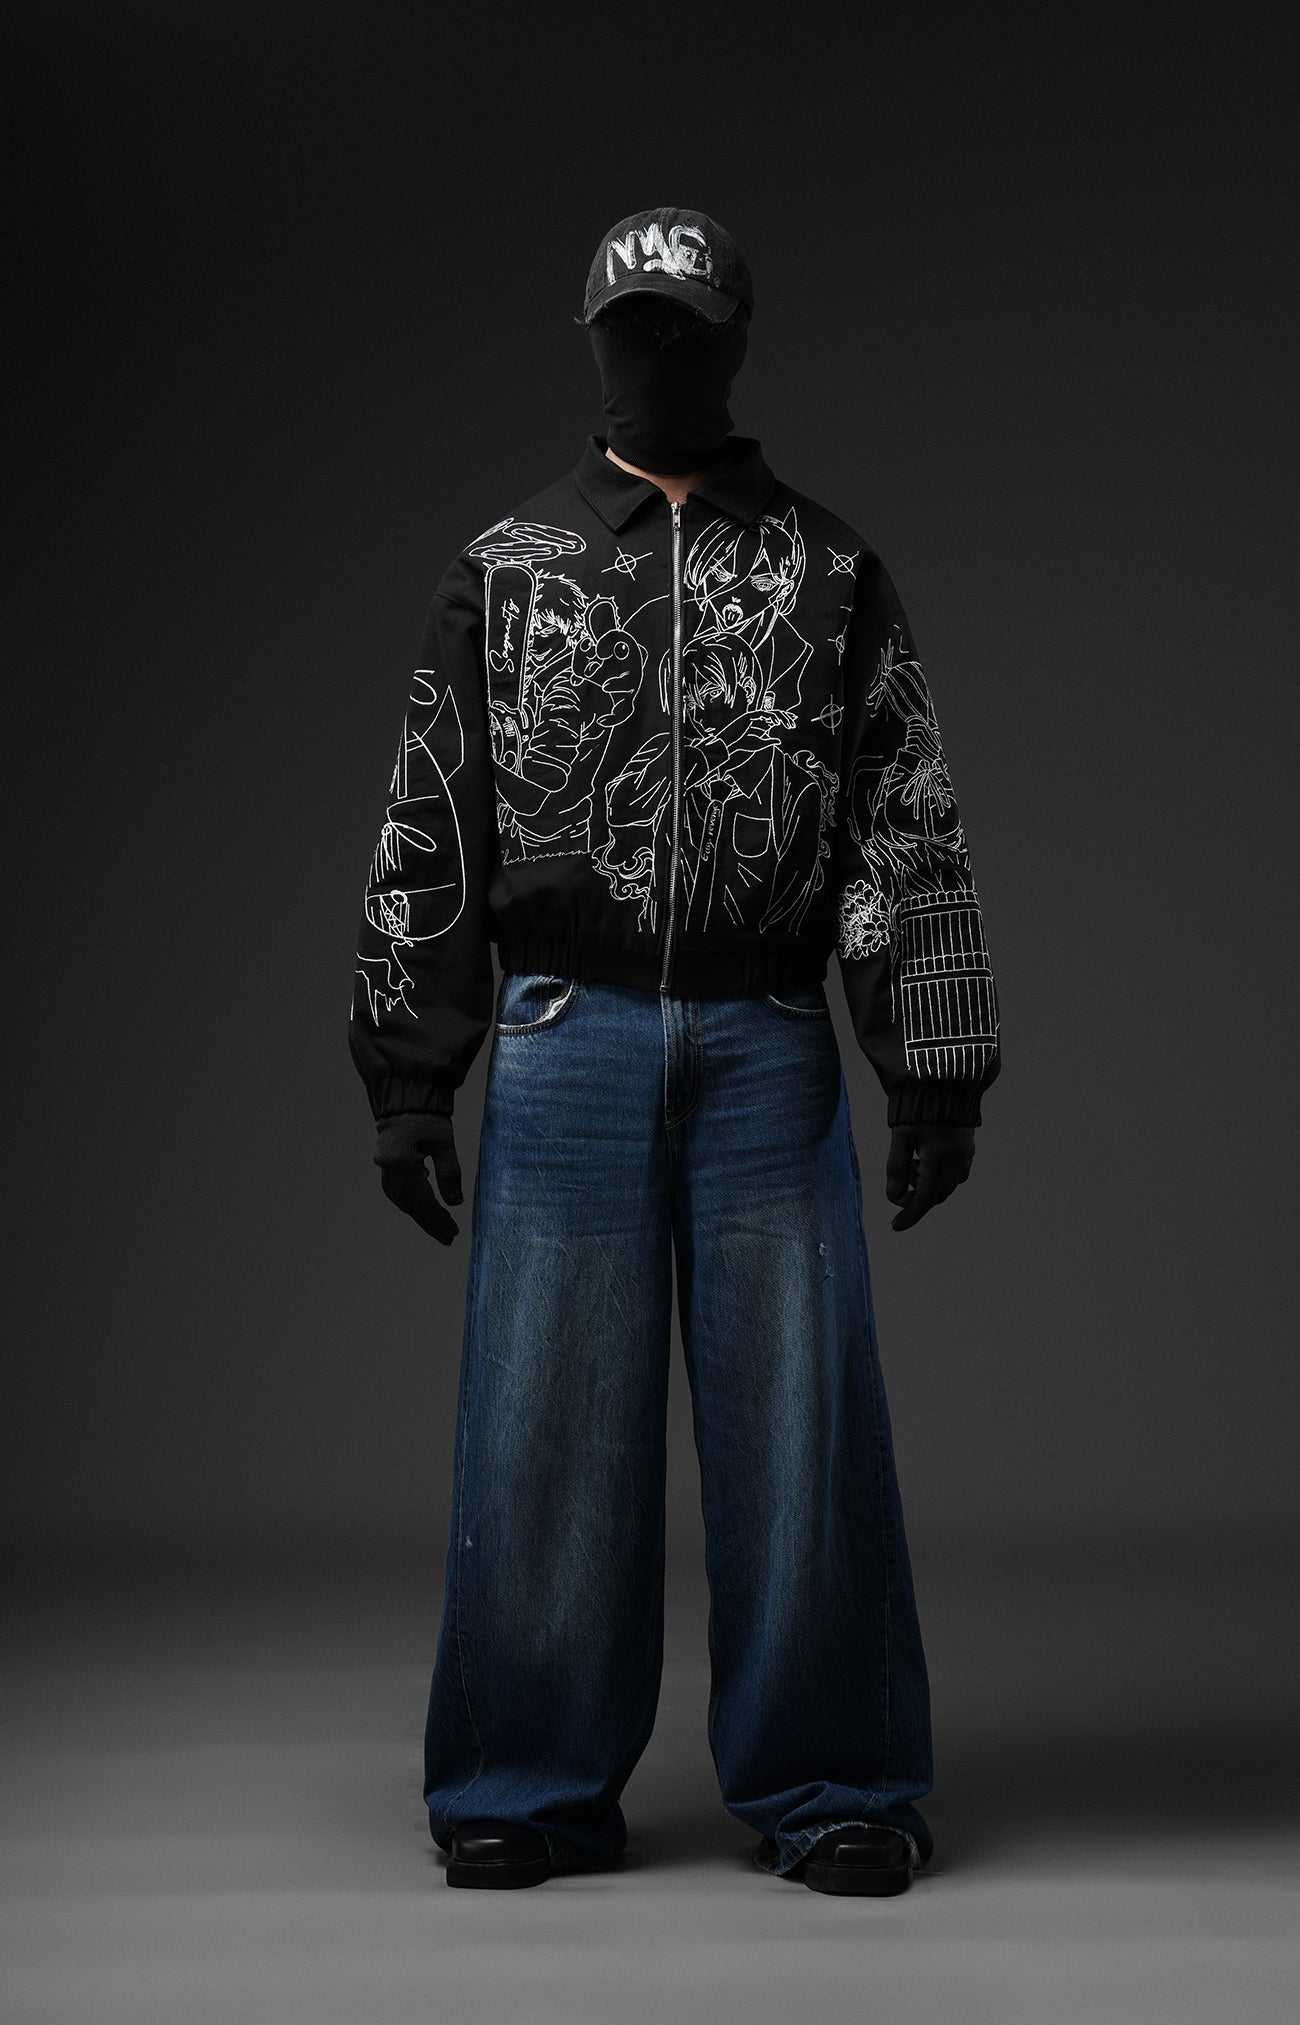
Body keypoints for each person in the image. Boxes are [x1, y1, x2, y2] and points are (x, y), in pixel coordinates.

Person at [347, 206, 1002, 1897]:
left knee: (803, 1426)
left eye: (686, 326)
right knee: (543, 1422)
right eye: (634, 325)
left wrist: (931, 1059)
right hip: (561, 1029)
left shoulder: (831, 571)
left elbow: (902, 820)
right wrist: (411, 1069)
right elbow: (434, 817)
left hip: (769, 1028)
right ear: (594, 341)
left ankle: (835, 1777)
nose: (659, 351)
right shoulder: (504, 569)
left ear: (735, 341)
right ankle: (522, 1778)